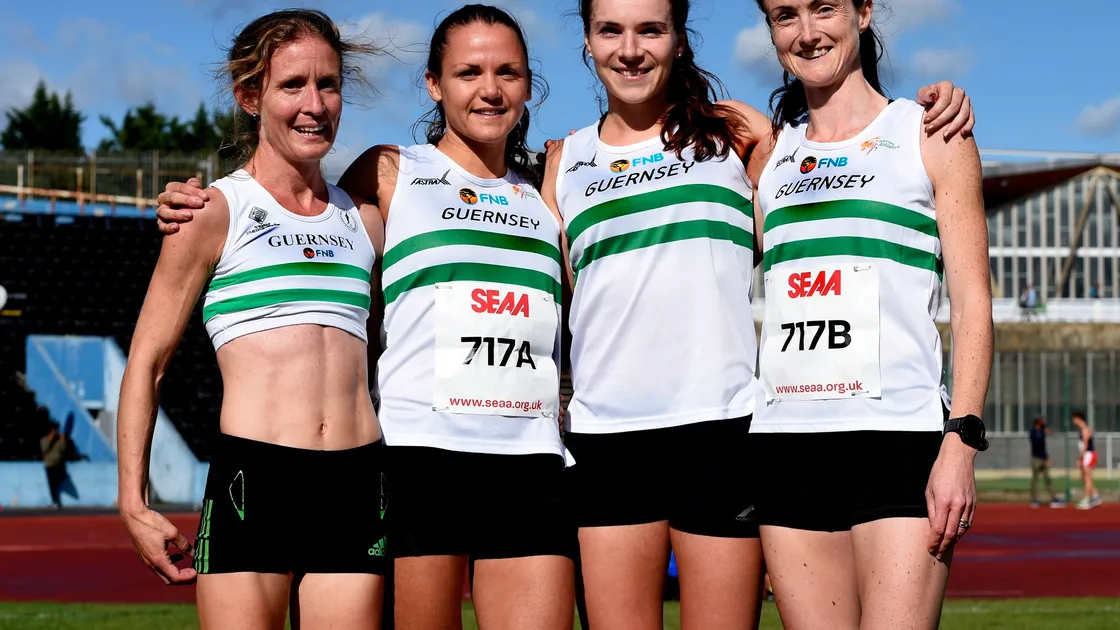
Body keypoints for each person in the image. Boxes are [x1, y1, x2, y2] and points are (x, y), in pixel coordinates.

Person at [540, 1, 974, 628]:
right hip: (607, 444)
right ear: (587, 41)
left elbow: (832, 195)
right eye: (610, 30)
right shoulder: (564, 163)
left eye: (652, 29)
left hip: (725, 435)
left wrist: (939, 106)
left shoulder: (739, 135)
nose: (630, 49)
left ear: (680, 41)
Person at [155, 6, 575, 630]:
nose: (490, 89)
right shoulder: (388, 173)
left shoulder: (552, 186)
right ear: (434, 84)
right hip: (418, 463)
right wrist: (191, 207)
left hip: (531, 463)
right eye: (468, 72)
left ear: (528, 84)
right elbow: (310, 228)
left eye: (508, 71)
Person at [116, 9, 388, 629]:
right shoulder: (212, 212)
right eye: (292, 85)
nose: (314, 104)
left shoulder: (365, 220)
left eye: (328, 84)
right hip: (255, 480)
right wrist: (132, 500)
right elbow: (148, 363)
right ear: (250, 97)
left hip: (356, 477)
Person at [746, 1, 994, 628]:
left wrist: (960, 442)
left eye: (824, 8)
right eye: (784, 15)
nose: (806, 32)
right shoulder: (767, 156)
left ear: (862, 12)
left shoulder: (931, 131)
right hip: (787, 448)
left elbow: (972, 304)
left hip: (898, 441)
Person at [1028, 416, 1062, 508]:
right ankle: (1034, 499)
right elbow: (1035, 443)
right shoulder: (1033, 432)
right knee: (1035, 479)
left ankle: (1053, 497)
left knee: (1048, 479)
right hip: (1036, 459)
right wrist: (1042, 433)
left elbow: (1044, 446)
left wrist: (1047, 457)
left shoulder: (1042, 432)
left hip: (1043, 458)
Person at [1071, 411, 1102, 509]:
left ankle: (1087, 499)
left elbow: (1085, 445)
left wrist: (1080, 458)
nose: (1073, 421)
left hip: (1089, 454)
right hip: (1087, 454)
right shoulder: (1082, 430)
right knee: (1084, 477)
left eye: (1074, 419)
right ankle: (1095, 496)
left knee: (1087, 477)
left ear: (1078, 418)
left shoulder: (1085, 430)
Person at [40, 420, 67, 509]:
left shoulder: (59, 439)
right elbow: (44, 449)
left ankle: (56, 501)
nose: (55, 432)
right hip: (49, 465)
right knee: (52, 484)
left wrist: (62, 440)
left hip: (58, 464)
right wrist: (51, 438)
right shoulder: (44, 440)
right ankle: (55, 501)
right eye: (53, 430)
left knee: (57, 483)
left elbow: (62, 449)